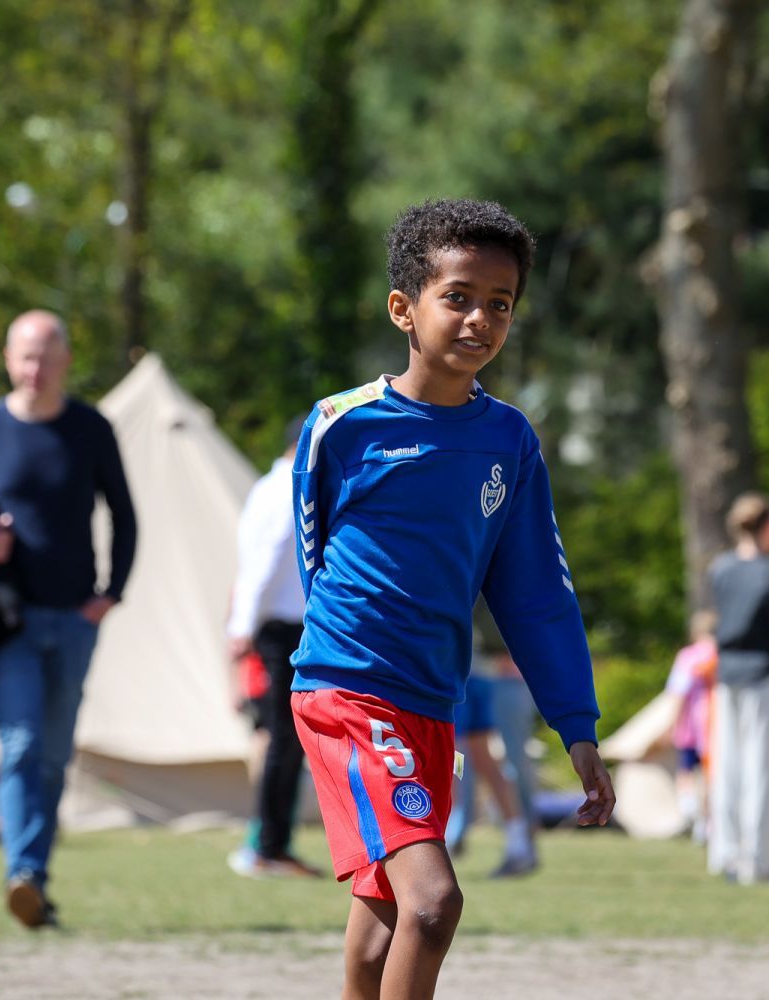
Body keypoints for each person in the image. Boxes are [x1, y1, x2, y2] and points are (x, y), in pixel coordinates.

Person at [288, 198, 615, 999]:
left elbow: (536, 593)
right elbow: (313, 556)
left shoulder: (509, 439)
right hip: (350, 694)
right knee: (433, 903)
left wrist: (576, 725)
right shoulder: (341, 427)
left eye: (500, 304)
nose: (480, 319)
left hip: (433, 703)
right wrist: (342, 657)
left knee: (381, 932)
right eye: (458, 297)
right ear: (404, 308)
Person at [0, 310, 137, 929]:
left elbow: (125, 514)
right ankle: (22, 873)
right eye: (27, 357)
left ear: (66, 363)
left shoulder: (90, 428)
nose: (36, 369)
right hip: (7, 620)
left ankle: (36, 877)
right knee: (21, 743)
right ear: (9, 359)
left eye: (48, 358)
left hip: (75, 618)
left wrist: (110, 594)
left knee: (54, 754)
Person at [225, 416, 321, 878]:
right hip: (280, 628)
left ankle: (272, 842)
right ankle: (267, 845)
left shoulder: (265, 486)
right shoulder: (288, 488)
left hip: (273, 625)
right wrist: (244, 624)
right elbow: (267, 559)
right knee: (284, 738)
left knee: (282, 737)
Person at [706, 493, 769, 884]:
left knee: (726, 765)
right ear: (768, 527)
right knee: (759, 767)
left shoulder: (720, 569)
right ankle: (758, 860)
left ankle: (724, 852)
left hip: (726, 675)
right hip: (762, 675)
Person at [444, 602, 538, 878]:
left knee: (455, 759)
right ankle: (518, 843)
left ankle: (449, 836)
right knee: (483, 761)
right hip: (485, 673)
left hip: (462, 673)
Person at [665, 609, 717, 842]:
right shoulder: (719, 655)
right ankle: (706, 822)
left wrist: (672, 723)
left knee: (686, 772)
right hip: (714, 724)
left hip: (690, 725)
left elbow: (678, 692)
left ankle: (691, 812)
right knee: (709, 776)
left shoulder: (688, 656)